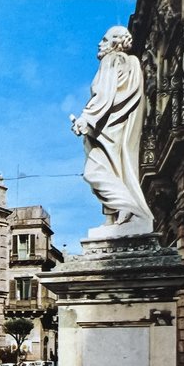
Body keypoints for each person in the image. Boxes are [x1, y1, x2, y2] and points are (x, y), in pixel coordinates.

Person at [70, 25, 154, 231]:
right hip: (122, 128)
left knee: (94, 172)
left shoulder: (113, 60)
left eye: (105, 40)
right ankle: (113, 218)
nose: (100, 44)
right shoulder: (133, 63)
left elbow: (104, 94)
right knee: (116, 172)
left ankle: (128, 207)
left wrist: (86, 118)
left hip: (108, 129)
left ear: (116, 43)